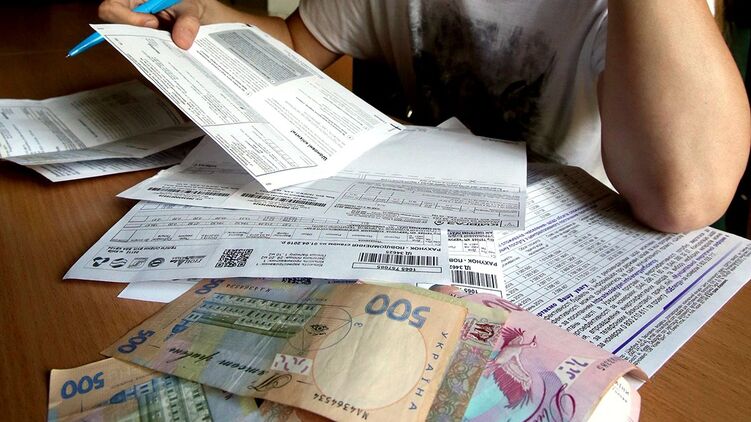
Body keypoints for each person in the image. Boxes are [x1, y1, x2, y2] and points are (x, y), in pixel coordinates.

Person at [98, 0, 750, 233]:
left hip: (575, 261)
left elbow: (684, 195)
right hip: (417, 237)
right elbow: (298, 42)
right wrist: (203, 20)